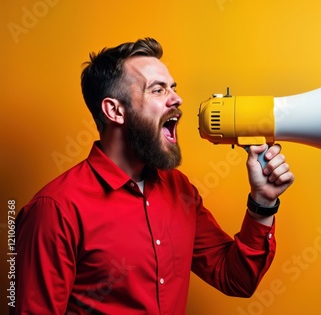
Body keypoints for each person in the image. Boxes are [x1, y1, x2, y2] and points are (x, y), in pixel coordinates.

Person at [13, 38, 294, 314]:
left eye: (172, 88)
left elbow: (235, 279)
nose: (177, 98)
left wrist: (262, 202)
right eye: (158, 90)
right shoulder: (55, 210)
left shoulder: (178, 189)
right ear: (115, 110)